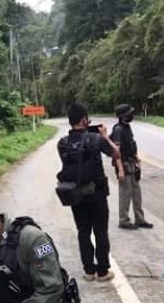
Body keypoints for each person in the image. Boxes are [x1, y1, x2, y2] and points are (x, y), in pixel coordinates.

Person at [57, 103, 120, 282]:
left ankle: (89, 271)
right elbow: (116, 154)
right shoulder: (95, 139)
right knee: (100, 231)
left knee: (83, 231)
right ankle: (102, 271)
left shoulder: (62, 143)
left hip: (75, 194)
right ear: (85, 119)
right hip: (97, 193)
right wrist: (105, 137)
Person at [110, 103, 153, 230]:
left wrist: (136, 158)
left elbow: (131, 145)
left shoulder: (127, 127)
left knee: (136, 193)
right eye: (129, 113)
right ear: (123, 116)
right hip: (123, 164)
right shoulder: (118, 129)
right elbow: (116, 151)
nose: (131, 115)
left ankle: (140, 219)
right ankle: (123, 220)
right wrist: (121, 170)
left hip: (131, 164)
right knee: (125, 194)